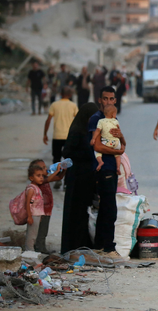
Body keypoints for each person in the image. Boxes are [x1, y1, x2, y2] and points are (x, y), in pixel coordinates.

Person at [89, 87, 126, 258]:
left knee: (106, 208)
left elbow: (120, 143)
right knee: (109, 209)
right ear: (100, 100)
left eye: (111, 99)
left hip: (112, 167)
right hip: (104, 169)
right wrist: (117, 152)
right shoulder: (97, 119)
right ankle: (109, 248)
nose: (108, 102)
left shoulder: (112, 118)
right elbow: (96, 146)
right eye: (105, 99)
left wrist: (121, 139)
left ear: (115, 101)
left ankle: (100, 246)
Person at [61, 102, 99, 253]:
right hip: (76, 178)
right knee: (75, 212)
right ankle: (73, 246)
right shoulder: (77, 130)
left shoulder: (92, 130)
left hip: (88, 178)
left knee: (86, 212)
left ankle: (85, 244)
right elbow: (67, 152)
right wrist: (87, 156)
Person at [43, 87, 78, 189]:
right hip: (69, 137)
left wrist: (45, 134)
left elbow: (48, 120)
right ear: (70, 95)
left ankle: (56, 178)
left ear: (60, 94)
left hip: (57, 136)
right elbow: (78, 120)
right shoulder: (73, 105)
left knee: (56, 158)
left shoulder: (55, 105)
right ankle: (67, 182)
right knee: (68, 160)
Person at [28, 159, 66, 253]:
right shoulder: (40, 181)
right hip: (41, 211)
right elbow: (49, 179)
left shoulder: (44, 178)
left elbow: (59, 178)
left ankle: (41, 248)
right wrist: (57, 171)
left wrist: (64, 169)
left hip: (47, 210)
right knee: (40, 231)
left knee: (44, 230)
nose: (46, 169)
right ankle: (39, 249)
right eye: (43, 168)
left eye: (45, 167)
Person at [91, 105, 123, 173]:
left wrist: (93, 139)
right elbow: (118, 130)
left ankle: (100, 162)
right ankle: (118, 167)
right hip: (116, 143)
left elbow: (98, 130)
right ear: (113, 114)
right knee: (117, 155)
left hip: (106, 142)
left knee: (97, 151)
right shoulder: (115, 121)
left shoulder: (101, 121)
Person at [24, 164, 46, 252]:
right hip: (33, 215)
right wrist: (29, 216)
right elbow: (28, 203)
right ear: (31, 178)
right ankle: (29, 251)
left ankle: (30, 250)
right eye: (38, 176)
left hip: (37, 215)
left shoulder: (36, 188)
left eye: (42, 176)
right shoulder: (31, 189)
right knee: (31, 235)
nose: (41, 178)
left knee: (34, 234)